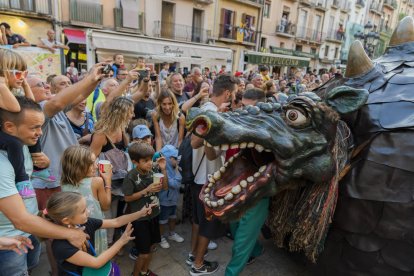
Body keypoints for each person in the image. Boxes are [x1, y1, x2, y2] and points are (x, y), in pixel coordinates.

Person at [0, 97, 88, 276]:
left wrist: (44, 166)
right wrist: (69, 234)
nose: (40, 133)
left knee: (30, 269)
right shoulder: (1, 166)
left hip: (29, 230)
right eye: (34, 127)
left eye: (40, 126)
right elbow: (20, 220)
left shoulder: (22, 145)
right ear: (9, 127)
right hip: (10, 237)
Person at [188, 74, 238, 275]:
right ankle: (198, 265)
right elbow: (194, 142)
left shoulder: (208, 109)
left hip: (199, 176)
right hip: (207, 179)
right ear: (227, 93)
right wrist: (215, 126)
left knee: (198, 221)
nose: (234, 97)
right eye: (233, 94)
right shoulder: (211, 113)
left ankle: (193, 255)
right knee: (207, 225)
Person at [44, 191, 153, 276]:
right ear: (66, 220)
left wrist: (140, 213)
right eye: (83, 211)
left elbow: (116, 222)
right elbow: (96, 263)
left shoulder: (84, 223)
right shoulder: (60, 246)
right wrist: (121, 241)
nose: (88, 212)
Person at [0, 49, 55, 200]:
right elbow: (16, 108)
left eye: (24, 74)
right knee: (14, 142)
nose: (22, 77)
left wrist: (25, 85)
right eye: (18, 73)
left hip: (6, 129)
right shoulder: (2, 90)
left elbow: (30, 105)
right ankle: (21, 179)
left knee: (33, 130)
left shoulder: (9, 90)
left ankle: (38, 167)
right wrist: (2, 86)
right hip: (4, 133)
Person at [225, 90, 268, 276]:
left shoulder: (270, 129)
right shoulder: (238, 123)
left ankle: (230, 273)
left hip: (258, 190)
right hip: (236, 184)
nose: (243, 111)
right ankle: (257, 249)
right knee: (234, 226)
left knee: (242, 240)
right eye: (242, 106)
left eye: (249, 107)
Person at [90, 96, 135, 245]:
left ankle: (111, 242)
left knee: (116, 211)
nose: (133, 115)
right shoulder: (101, 133)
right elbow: (90, 158)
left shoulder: (121, 128)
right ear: (121, 112)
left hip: (120, 179)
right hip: (105, 180)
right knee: (106, 213)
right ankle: (104, 245)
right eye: (130, 112)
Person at [123, 142, 168, 276]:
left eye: (151, 159)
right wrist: (146, 190)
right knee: (143, 253)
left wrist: (163, 169)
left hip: (154, 214)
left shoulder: (154, 170)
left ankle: (144, 271)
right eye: (145, 161)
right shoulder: (130, 176)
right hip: (140, 218)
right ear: (135, 162)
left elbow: (165, 187)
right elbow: (127, 198)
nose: (150, 163)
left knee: (151, 248)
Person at [60, 145, 112, 255]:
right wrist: (108, 181)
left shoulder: (63, 184)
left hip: (75, 229)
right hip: (95, 228)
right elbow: (106, 206)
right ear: (79, 166)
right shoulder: (97, 182)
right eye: (91, 164)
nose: (96, 166)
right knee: (97, 256)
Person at [158, 145, 184, 249]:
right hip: (164, 201)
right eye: (175, 159)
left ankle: (172, 234)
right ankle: (160, 237)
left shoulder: (175, 168)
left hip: (173, 200)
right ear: (169, 159)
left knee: (173, 217)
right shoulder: (164, 171)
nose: (178, 161)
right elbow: (175, 184)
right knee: (162, 220)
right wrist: (177, 170)